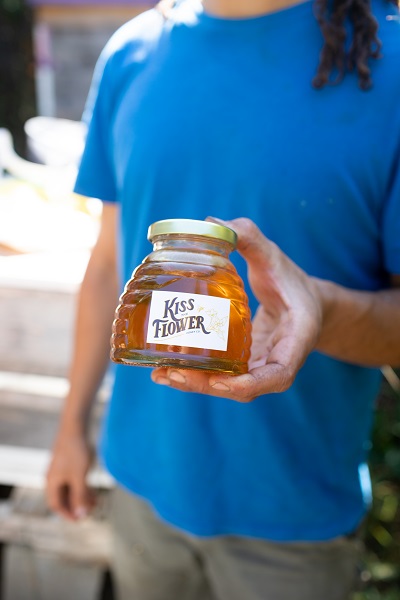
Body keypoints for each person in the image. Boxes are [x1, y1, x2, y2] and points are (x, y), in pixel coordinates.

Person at [46, 0, 400, 598]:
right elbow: (108, 263)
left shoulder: (387, 67)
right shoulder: (132, 53)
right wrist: (71, 427)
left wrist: (322, 310)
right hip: (139, 485)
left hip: (292, 519)